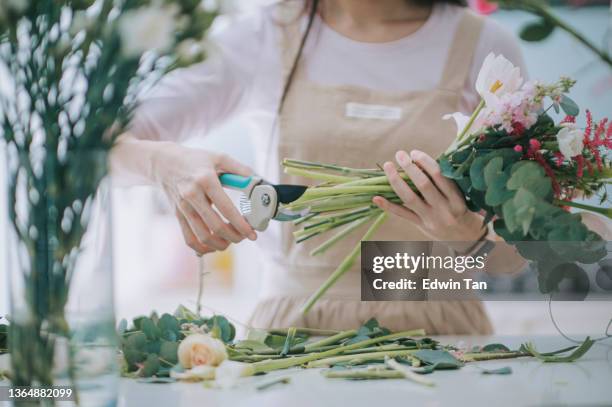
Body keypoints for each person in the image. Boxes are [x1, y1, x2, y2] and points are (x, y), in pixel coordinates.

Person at [112, 0, 531, 334]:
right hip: (295, 333)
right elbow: (101, 149)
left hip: (441, 333)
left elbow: (526, 257)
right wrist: (165, 163)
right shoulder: (262, 34)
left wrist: (468, 239)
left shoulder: (485, 46)